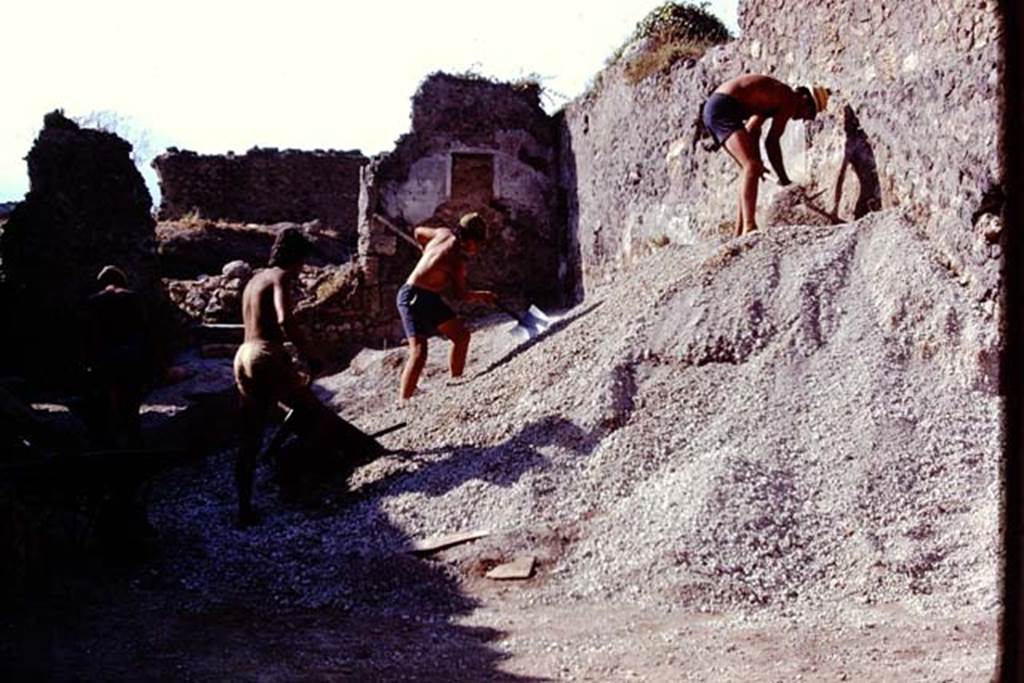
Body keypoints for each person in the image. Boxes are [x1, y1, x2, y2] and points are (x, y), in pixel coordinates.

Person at [232, 227, 329, 527]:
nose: (302, 269)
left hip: (242, 355)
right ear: (296, 257)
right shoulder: (281, 277)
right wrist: (310, 355)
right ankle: (299, 489)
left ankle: (244, 509)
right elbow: (285, 320)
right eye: (302, 261)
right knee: (312, 416)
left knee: (250, 435)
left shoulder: (252, 280)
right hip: (265, 354)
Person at [702, 74, 830, 236]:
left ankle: (738, 232)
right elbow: (772, 142)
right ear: (805, 100)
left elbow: (752, 129)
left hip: (716, 108)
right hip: (723, 108)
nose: (803, 119)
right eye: (809, 114)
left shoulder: (771, 96)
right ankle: (749, 226)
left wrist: (757, 160)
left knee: (749, 168)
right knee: (750, 166)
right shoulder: (789, 99)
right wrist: (784, 179)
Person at [396, 212, 497, 400]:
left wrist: (425, 251)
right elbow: (460, 295)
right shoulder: (455, 260)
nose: (478, 248)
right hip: (412, 296)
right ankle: (403, 402)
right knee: (419, 352)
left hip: (429, 296)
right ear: (470, 240)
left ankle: (456, 381)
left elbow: (418, 232)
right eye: (479, 244)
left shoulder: (442, 233)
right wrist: (483, 296)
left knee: (461, 336)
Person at [81, 265, 154, 449]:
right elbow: (146, 331)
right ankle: (135, 442)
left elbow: (87, 335)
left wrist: (88, 361)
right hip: (131, 357)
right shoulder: (133, 298)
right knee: (131, 402)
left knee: (106, 401)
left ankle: (108, 444)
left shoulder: (93, 301)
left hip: (104, 358)